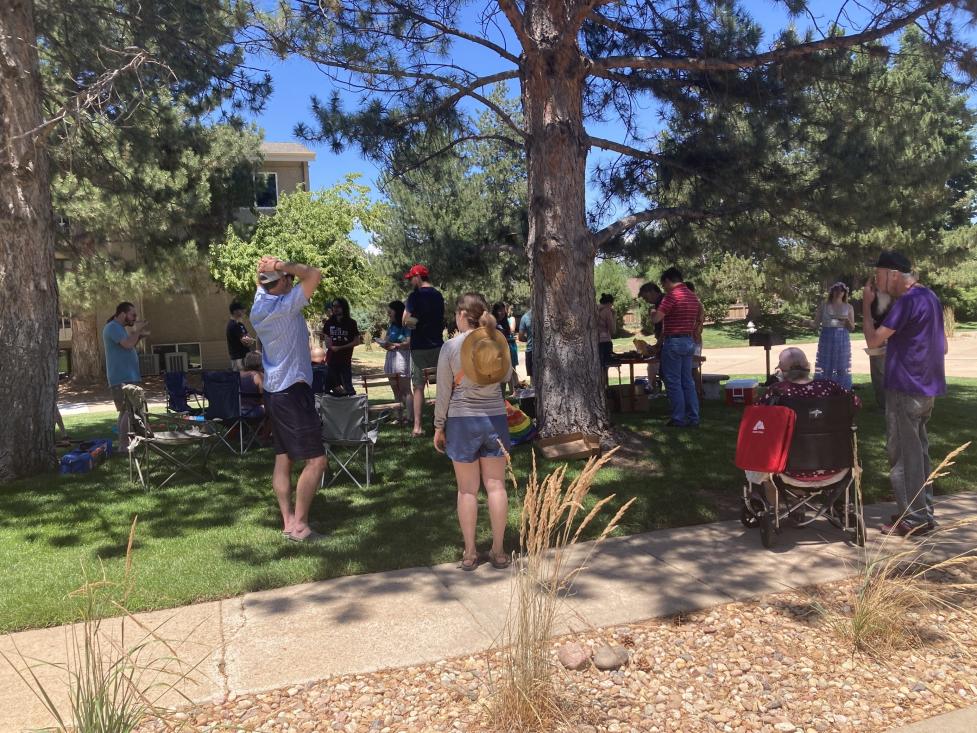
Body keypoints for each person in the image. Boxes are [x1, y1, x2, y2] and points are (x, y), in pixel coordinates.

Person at [862, 250, 947, 536]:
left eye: (879, 275)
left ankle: (913, 520)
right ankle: (924, 512)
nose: (877, 281)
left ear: (893, 274)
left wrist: (866, 305)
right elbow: (941, 346)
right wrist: (901, 348)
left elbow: (873, 338)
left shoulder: (907, 301)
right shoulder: (930, 298)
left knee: (901, 455)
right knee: (919, 453)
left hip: (905, 388)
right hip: (927, 388)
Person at [250, 256, 327, 543]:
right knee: (316, 461)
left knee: (283, 458)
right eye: (288, 280)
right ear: (282, 283)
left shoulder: (259, 305)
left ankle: (287, 522)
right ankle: (300, 527)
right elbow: (314, 274)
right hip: (292, 391)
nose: (292, 282)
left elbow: (264, 283)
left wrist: (268, 271)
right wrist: (282, 265)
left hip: (273, 392)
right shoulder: (285, 307)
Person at [433, 293, 512, 571]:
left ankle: (469, 553)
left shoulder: (451, 346)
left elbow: (444, 391)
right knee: (496, 486)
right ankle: (499, 552)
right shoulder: (497, 340)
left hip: (462, 420)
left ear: (461, 315)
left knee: (467, 490)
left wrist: (438, 425)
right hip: (495, 418)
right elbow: (507, 377)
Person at [744, 347, 860, 495]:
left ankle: (786, 507)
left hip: (788, 470)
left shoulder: (777, 392)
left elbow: (758, 418)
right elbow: (856, 403)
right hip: (836, 466)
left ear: (781, 371)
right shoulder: (830, 387)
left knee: (758, 457)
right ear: (808, 367)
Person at [650, 267, 702, 427]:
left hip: (674, 342)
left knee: (673, 381)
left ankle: (678, 418)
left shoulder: (671, 296)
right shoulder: (693, 297)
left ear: (668, 281)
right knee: (688, 381)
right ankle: (694, 417)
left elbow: (657, 319)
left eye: (663, 284)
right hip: (688, 341)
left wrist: (652, 312)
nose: (663, 288)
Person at [404, 264, 445, 437]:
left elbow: (405, 320)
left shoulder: (414, 296)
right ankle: (442, 426)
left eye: (411, 278)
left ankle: (418, 427)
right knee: (443, 387)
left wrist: (414, 322)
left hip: (419, 347)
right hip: (438, 346)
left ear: (418, 277)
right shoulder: (438, 295)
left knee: (418, 387)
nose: (410, 282)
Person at [102, 301, 149, 445]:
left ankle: (125, 444)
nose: (135, 318)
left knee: (126, 411)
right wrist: (137, 331)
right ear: (123, 314)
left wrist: (138, 335)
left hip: (127, 376)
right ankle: (124, 446)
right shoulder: (112, 327)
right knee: (129, 411)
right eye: (132, 315)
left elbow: (127, 344)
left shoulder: (119, 328)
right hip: (122, 377)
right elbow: (128, 344)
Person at [812, 282, 855, 389]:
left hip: (842, 338)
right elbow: (815, 324)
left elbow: (852, 328)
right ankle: (823, 388)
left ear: (845, 293)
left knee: (842, 366)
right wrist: (805, 322)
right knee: (825, 365)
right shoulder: (824, 305)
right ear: (832, 291)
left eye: (841, 290)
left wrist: (846, 321)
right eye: (836, 290)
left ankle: (842, 389)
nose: (838, 292)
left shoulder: (848, 307)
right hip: (827, 337)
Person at [380, 300, 413, 422]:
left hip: (402, 358)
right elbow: (387, 341)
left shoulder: (407, 325)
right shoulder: (391, 326)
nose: (388, 313)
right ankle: (398, 417)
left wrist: (395, 345)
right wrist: (384, 344)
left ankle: (410, 417)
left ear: (397, 311)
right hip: (391, 359)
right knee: (396, 391)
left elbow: (409, 343)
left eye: (390, 310)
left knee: (405, 389)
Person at [865, 276, 894, 411]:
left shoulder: (895, 297)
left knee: (888, 371)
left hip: (890, 336)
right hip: (877, 335)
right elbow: (869, 317)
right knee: (877, 371)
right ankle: (882, 404)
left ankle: (889, 404)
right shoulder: (872, 298)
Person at [322, 297, 361, 395]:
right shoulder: (328, 323)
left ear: (344, 307)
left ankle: (353, 408)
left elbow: (357, 341)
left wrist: (341, 347)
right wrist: (331, 347)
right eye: (333, 306)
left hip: (345, 362)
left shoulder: (351, 323)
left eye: (338, 306)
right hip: (331, 362)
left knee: (348, 389)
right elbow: (327, 343)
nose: (335, 308)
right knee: (327, 390)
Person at [637, 282, 664, 392]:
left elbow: (665, 326)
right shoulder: (659, 303)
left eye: (645, 297)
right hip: (662, 340)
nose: (645, 300)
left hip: (666, 341)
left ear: (652, 292)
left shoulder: (663, 302)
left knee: (668, 373)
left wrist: (659, 344)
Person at [492, 302, 521, 393]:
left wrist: (508, 340)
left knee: (511, 371)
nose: (502, 312)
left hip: (508, 349)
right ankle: (502, 395)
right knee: (501, 374)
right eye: (499, 310)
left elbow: (507, 335)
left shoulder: (505, 322)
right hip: (498, 353)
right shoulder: (493, 322)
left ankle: (513, 392)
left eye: (503, 310)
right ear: (495, 311)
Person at [226, 301, 255, 371]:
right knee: (240, 379)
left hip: (244, 357)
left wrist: (251, 340)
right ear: (235, 311)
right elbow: (245, 342)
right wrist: (253, 341)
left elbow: (248, 337)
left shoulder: (240, 324)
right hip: (238, 358)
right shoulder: (233, 325)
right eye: (241, 309)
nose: (243, 311)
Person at [597, 293, 616, 374]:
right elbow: (613, 330)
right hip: (605, 342)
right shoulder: (607, 311)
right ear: (609, 303)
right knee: (605, 368)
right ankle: (604, 385)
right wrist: (614, 316)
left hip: (594, 341)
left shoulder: (593, 308)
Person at [518, 308, 534, 384]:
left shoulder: (525, 317)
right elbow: (520, 337)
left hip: (531, 350)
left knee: (533, 378)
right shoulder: (545, 315)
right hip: (541, 350)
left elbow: (520, 337)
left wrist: (528, 339)